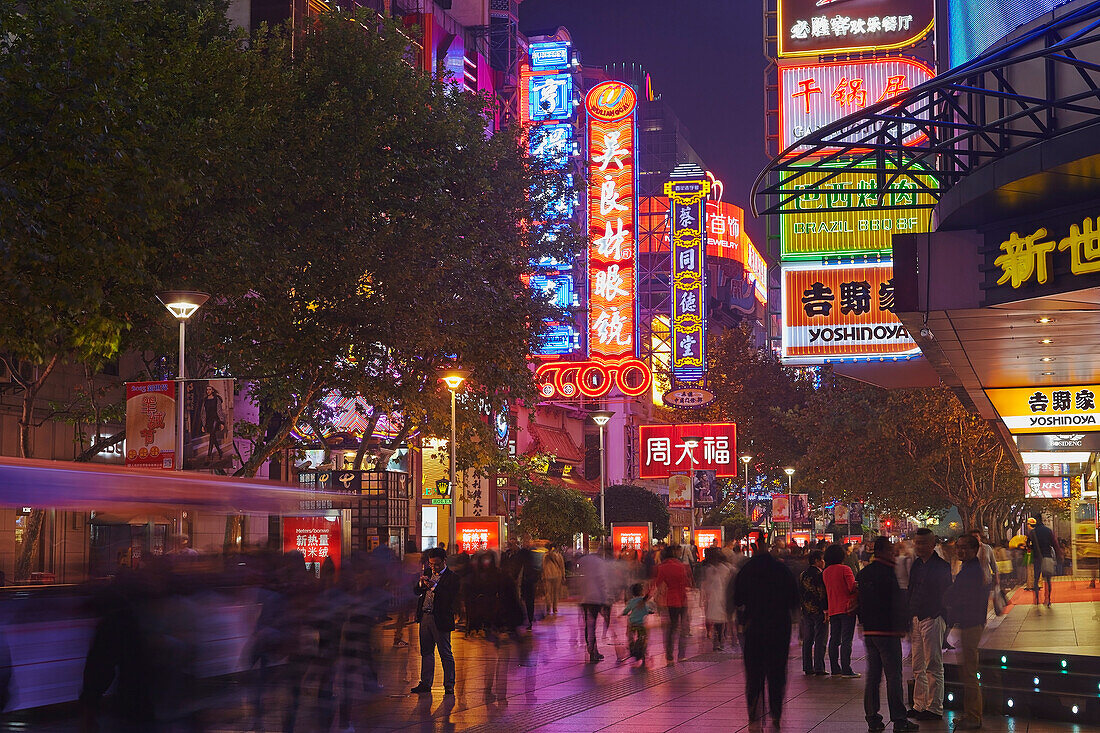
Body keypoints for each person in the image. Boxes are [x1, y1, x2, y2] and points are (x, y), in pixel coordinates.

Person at [732, 541, 800, 728]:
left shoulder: (747, 570)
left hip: (754, 626)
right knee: (777, 672)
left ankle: (754, 714)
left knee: (754, 673)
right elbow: (794, 600)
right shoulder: (782, 570)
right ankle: (776, 713)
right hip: (779, 627)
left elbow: (737, 599)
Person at [858, 537, 918, 732]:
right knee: (893, 676)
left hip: (870, 631)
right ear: (882, 551)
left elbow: (859, 601)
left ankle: (872, 718)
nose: (894, 553)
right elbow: (897, 603)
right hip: (887, 632)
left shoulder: (865, 573)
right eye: (891, 550)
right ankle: (899, 720)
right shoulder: (890, 573)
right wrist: (903, 626)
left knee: (873, 676)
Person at [943, 534, 990, 731]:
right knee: (967, 670)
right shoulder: (969, 569)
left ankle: (974, 715)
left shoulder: (971, 571)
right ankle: (971, 713)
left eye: (964, 548)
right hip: (970, 622)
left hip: (971, 623)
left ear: (974, 550)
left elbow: (961, 597)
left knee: (970, 671)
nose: (960, 551)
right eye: (958, 547)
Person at [906, 528, 951, 722]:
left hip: (932, 617)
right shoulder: (916, 565)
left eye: (923, 543)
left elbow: (945, 593)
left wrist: (937, 613)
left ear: (933, 544)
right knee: (917, 664)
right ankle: (919, 704)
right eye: (917, 542)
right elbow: (911, 589)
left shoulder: (941, 566)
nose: (919, 546)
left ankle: (934, 707)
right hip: (917, 618)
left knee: (933, 664)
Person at [410, 548, 459, 695]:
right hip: (425, 616)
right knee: (426, 651)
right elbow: (416, 592)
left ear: (444, 561)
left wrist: (435, 587)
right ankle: (425, 682)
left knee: (445, 652)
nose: (433, 567)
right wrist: (421, 584)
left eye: (436, 564)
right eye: (431, 564)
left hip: (441, 618)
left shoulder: (452, 577)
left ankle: (449, 684)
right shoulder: (428, 573)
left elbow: (451, 597)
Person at [823, 543, 860, 678]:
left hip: (833, 609)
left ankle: (835, 668)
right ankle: (846, 669)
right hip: (847, 608)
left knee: (834, 639)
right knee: (846, 640)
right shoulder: (845, 569)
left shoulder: (825, 572)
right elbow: (851, 587)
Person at [654, 546, 692, 664]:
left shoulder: (662, 568)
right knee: (683, 628)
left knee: (672, 629)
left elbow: (658, 583)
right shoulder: (683, 567)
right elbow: (688, 583)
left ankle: (669, 656)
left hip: (671, 600)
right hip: (683, 599)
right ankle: (681, 655)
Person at [799, 549, 828, 676]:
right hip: (818, 610)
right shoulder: (819, 575)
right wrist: (826, 610)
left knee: (808, 638)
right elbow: (822, 594)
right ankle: (819, 667)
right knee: (820, 638)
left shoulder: (803, 574)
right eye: (822, 559)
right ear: (816, 561)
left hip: (806, 610)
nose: (823, 562)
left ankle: (807, 666)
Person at [575, 549, 608, 663]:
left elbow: (577, 581)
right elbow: (602, 581)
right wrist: (605, 598)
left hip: (584, 598)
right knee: (592, 625)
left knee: (587, 625)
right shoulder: (599, 563)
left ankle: (591, 648)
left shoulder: (583, 563)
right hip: (595, 598)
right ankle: (593, 650)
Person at [700, 548, 732, 651]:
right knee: (717, 620)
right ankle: (718, 639)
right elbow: (706, 584)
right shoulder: (710, 570)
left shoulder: (724, 569)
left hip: (721, 597)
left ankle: (719, 639)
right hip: (714, 598)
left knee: (720, 620)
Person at [1025, 514, 1059, 607]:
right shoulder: (1048, 531)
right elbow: (1054, 544)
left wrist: (1032, 547)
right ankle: (1048, 599)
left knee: (1036, 579)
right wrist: (1059, 555)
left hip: (1037, 558)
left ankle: (1036, 599)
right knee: (1048, 580)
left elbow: (1028, 544)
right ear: (1042, 520)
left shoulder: (1032, 532)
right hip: (1047, 556)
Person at [621, 582, 653, 664]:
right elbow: (646, 610)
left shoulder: (631, 601)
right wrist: (650, 612)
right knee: (644, 637)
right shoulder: (643, 601)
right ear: (642, 592)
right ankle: (642, 652)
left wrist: (623, 613)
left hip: (632, 623)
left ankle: (632, 649)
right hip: (641, 624)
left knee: (630, 635)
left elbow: (627, 610)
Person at [542, 544, 565, 615]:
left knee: (548, 592)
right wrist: (563, 576)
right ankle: (555, 608)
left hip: (548, 575)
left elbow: (542, 566)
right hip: (557, 575)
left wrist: (542, 575)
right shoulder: (558, 555)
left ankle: (548, 607)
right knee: (556, 592)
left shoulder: (545, 556)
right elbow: (562, 566)